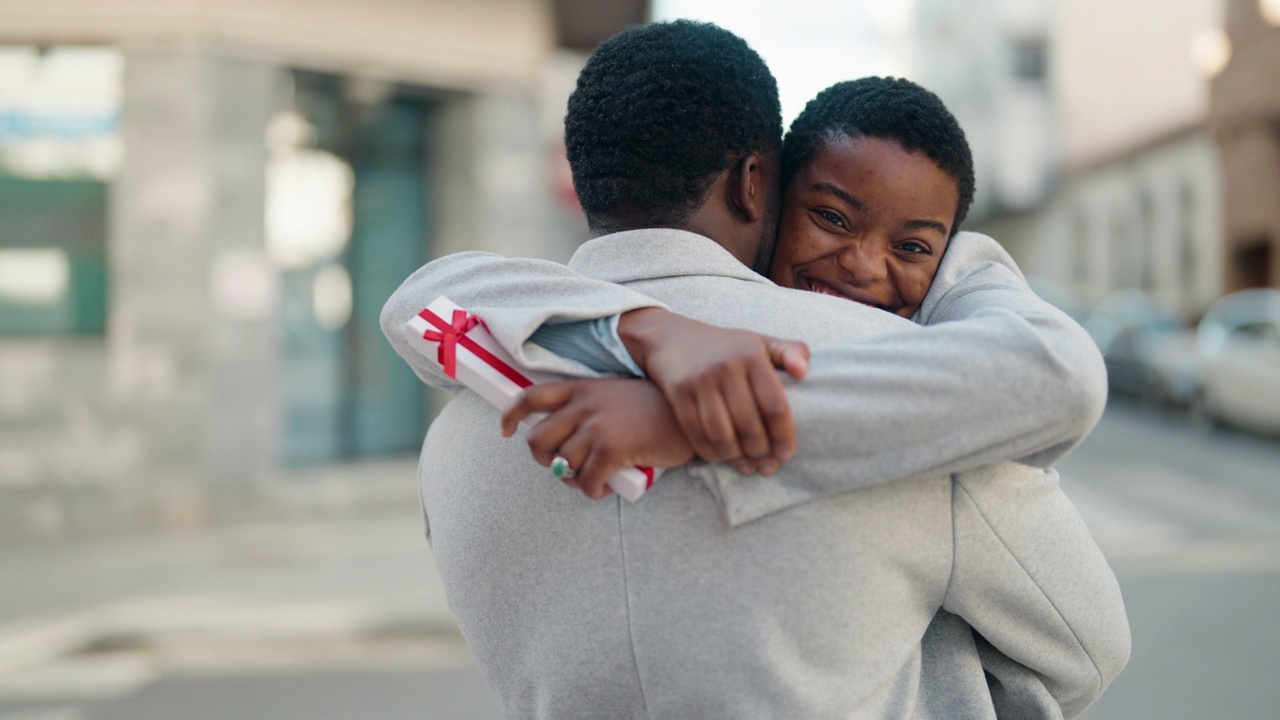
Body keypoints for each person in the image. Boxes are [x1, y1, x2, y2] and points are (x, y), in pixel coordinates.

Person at [381, 20, 1129, 719]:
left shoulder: (471, 408)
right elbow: (1085, 647)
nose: (863, 264)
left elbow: (423, 301)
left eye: (912, 246)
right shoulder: (914, 395)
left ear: (583, 176)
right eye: (832, 215)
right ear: (755, 182)